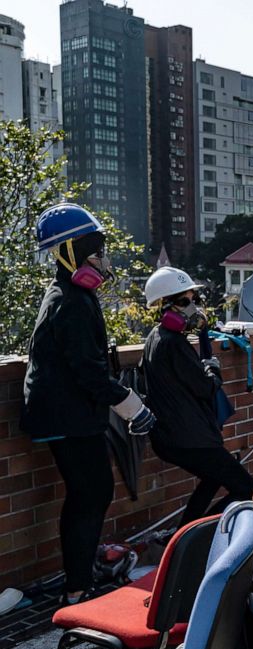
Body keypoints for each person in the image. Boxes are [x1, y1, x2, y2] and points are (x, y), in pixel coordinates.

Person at [21, 203, 156, 605]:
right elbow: (89, 372)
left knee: (90, 493)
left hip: (72, 412)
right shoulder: (70, 301)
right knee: (90, 493)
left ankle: (81, 575)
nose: (102, 259)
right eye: (95, 252)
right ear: (71, 254)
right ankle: (78, 588)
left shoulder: (73, 294)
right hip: (67, 415)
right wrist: (132, 406)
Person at [142, 267, 253, 524]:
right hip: (189, 438)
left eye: (195, 300)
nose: (193, 307)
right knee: (246, 488)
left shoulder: (155, 338)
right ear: (164, 307)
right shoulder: (172, 343)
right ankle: (195, 535)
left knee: (214, 477)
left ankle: (185, 531)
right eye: (184, 301)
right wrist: (212, 369)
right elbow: (205, 388)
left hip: (174, 436)